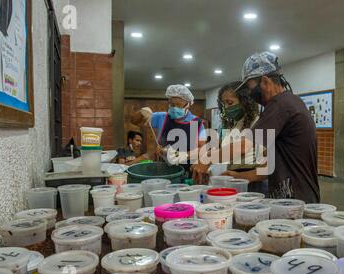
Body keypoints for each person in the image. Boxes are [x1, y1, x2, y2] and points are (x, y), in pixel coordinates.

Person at [193, 52, 320, 203]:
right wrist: (239, 177)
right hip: (293, 197)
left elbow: (244, 146)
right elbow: (269, 167)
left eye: (250, 87)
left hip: (296, 199)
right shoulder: (290, 103)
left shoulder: (280, 105)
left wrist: (207, 158)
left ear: (265, 81)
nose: (251, 94)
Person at [131, 84, 207, 176]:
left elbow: (202, 149)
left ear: (188, 104)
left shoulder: (197, 123)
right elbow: (134, 121)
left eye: (179, 105)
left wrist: (182, 155)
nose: (175, 108)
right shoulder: (162, 117)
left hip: (187, 170)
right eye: (172, 104)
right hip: (163, 169)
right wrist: (142, 112)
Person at [216, 81, 268, 194]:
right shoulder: (233, 124)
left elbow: (267, 158)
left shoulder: (258, 122)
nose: (226, 108)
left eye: (229, 103)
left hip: (254, 181)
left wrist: (209, 159)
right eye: (223, 104)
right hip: (233, 178)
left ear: (245, 101)